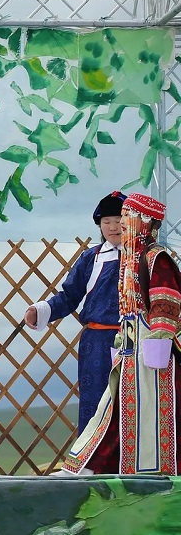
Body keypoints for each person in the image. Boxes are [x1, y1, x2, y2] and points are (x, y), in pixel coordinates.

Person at [61, 192, 180, 475]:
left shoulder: (157, 258)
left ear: (144, 222)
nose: (121, 225)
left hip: (152, 353)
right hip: (127, 351)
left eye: (127, 218)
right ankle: (90, 465)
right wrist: (121, 340)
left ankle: (153, 472)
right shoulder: (127, 258)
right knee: (114, 409)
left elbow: (166, 301)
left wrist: (159, 340)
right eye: (114, 220)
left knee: (149, 412)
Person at [24, 191, 124, 433]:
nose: (113, 227)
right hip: (97, 344)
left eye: (118, 220)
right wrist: (41, 310)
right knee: (96, 404)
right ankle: (91, 455)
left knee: (133, 403)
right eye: (106, 221)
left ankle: (134, 456)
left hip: (135, 340)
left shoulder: (146, 257)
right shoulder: (91, 258)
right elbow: (69, 296)